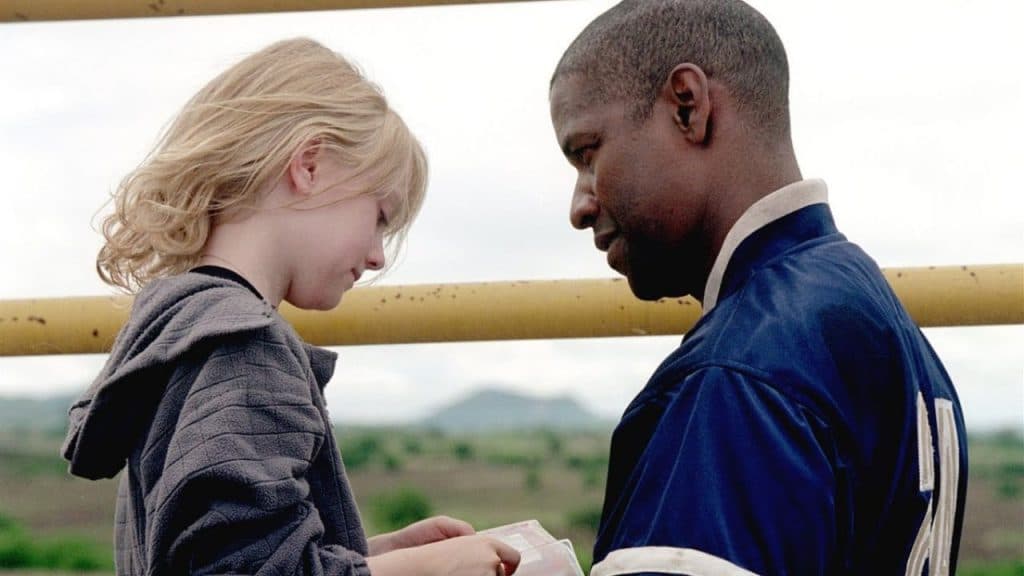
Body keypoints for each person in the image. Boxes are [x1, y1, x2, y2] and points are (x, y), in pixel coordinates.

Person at [61, 38, 519, 576]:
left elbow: (217, 555)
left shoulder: (180, 330)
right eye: (379, 217)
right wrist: (422, 572)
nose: (376, 257)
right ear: (309, 165)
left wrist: (369, 554)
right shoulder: (246, 347)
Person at [548, 1, 967, 574]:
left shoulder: (737, 374)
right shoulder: (878, 319)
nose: (579, 205)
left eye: (587, 154)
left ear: (687, 106)